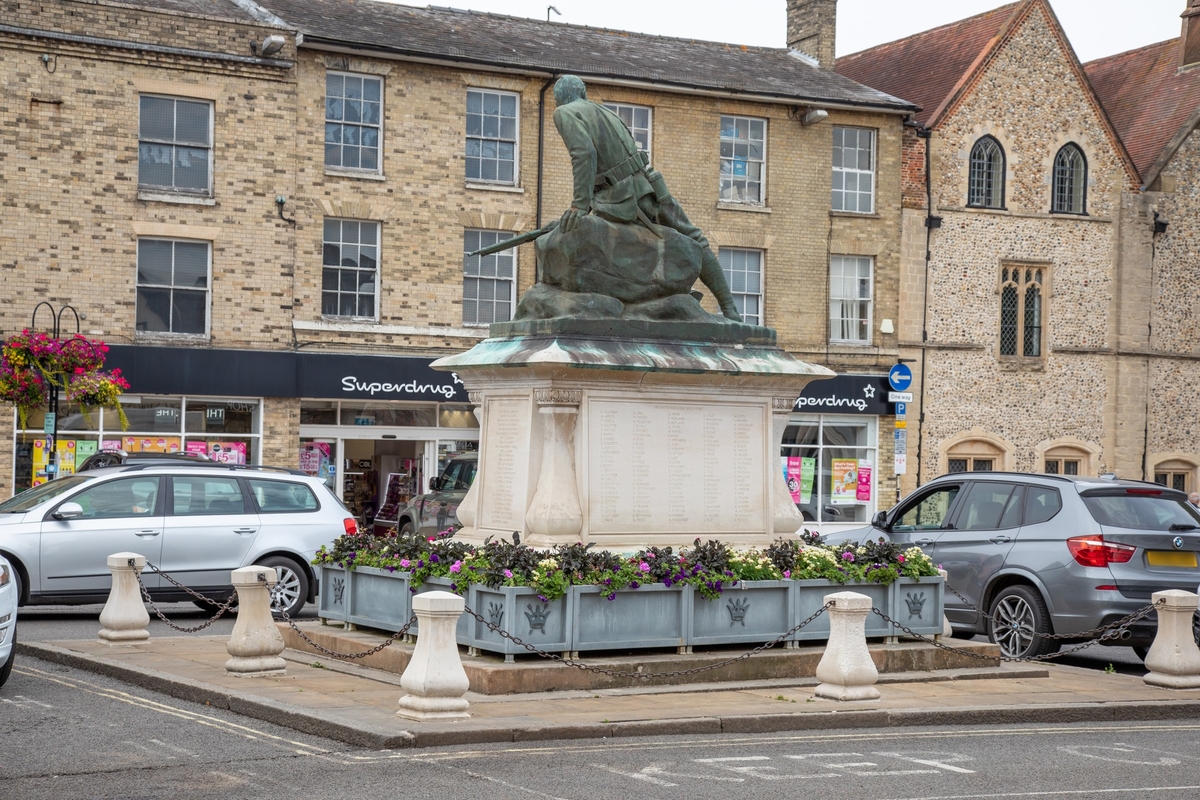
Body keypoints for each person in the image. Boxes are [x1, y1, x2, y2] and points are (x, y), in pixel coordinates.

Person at [551, 75, 743, 322]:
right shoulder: (605, 112)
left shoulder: (565, 112)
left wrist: (579, 204)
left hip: (624, 196)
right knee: (695, 238)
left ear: (560, 99)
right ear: (584, 92)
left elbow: (584, 154)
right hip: (650, 184)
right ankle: (729, 309)